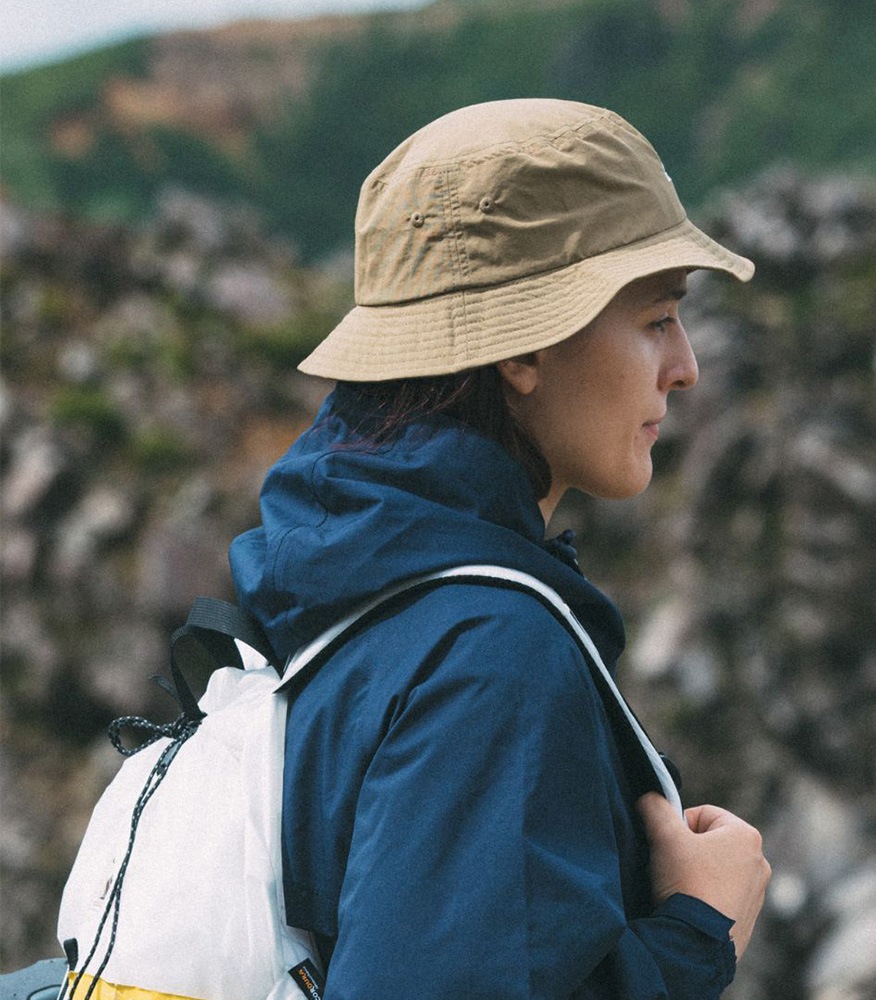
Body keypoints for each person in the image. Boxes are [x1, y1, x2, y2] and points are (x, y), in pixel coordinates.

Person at [229, 98, 770, 999]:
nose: (686, 367)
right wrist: (694, 934)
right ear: (523, 349)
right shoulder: (488, 654)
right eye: (656, 319)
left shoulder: (339, 579)